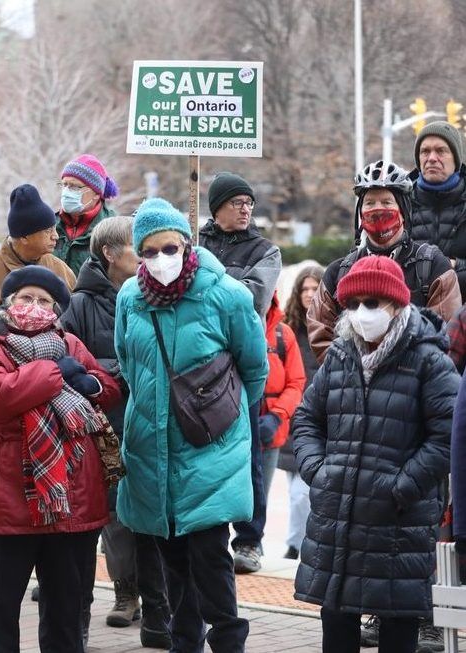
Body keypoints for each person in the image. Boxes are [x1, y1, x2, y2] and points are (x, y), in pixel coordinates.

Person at [116, 198, 268, 652]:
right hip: (151, 446)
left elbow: (254, 369)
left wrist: (224, 418)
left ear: (186, 243)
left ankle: (227, 640)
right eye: (149, 251)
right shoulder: (130, 297)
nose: (160, 259)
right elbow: (128, 363)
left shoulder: (227, 295)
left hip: (210, 447)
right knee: (172, 558)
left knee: (208, 555)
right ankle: (185, 642)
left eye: (169, 248)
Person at [294, 255, 457, 653]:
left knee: (397, 625)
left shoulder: (428, 359)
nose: (362, 313)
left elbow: (446, 436)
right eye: (353, 304)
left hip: (398, 522)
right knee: (336, 621)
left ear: (397, 304)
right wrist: (318, 470)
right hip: (338, 518)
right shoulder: (339, 355)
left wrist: (401, 487)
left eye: (372, 303)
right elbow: (306, 419)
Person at [0, 265, 120, 653]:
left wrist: (90, 382)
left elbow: (109, 389)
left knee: (66, 616)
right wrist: (53, 374)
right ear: (9, 302)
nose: (34, 306)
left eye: (44, 301)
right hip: (3, 501)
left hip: (69, 499)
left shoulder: (72, 344)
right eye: (26, 298)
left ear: (56, 309)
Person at [59, 215, 171, 650]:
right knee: (106, 521)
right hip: (99, 430)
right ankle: (122, 595)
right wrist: (117, 374)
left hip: (144, 427)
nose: (147, 257)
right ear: (109, 253)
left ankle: (159, 616)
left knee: (150, 522)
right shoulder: (80, 303)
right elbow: (69, 364)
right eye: (137, 247)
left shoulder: (151, 296)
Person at [199, 171, 281, 575]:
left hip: (240, 366)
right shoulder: (192, 244)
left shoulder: (266, 251)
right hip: (196, 366)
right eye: (237, 201)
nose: (246, 208)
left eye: (249, 202)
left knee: (246, 455)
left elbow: (252, 299)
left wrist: (206, 285)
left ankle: (249, 540)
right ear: (217, 207)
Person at [308, 160, 460, 362]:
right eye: (370, 203)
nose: (377, 209)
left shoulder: (432, 266)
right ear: (360, 213)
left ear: (403, 211)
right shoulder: (338, 272)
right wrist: (348, 371)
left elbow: (445, 334)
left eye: (387, 202)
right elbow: (320, 335)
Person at [277, 265, 324, 559]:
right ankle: (296, 544)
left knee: (306, 492)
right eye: (304, 289)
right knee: (297, 493)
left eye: (314, 288)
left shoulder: (332, 328)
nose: (309, 294)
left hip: (324, 419)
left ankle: (300, 544)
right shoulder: (288, 329)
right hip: (293, 418)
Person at [0, 184, 75, 312]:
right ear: (24, 237)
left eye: (54, 229)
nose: (56, 236)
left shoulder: (60, 269)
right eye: (48, 231)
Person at [257, 291, 305, 526]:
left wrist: (276, 416)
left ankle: (252, 545)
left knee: (261, 495)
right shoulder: (232, 329)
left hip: (270, 431)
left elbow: (296, 382)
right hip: (234, 428)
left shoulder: (283, 335)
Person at [408, 121, 466, 298]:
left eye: (441, 151)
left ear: (455, 158)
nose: (432, 158)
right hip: (410, 311)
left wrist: (457, 265)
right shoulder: (399, 201)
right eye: (425, 151)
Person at [54, 154, 119, 276]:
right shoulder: (50, 225)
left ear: (96, 193)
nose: (67, 191)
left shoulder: (114, 229)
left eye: (74, 186)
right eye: (64, 185)